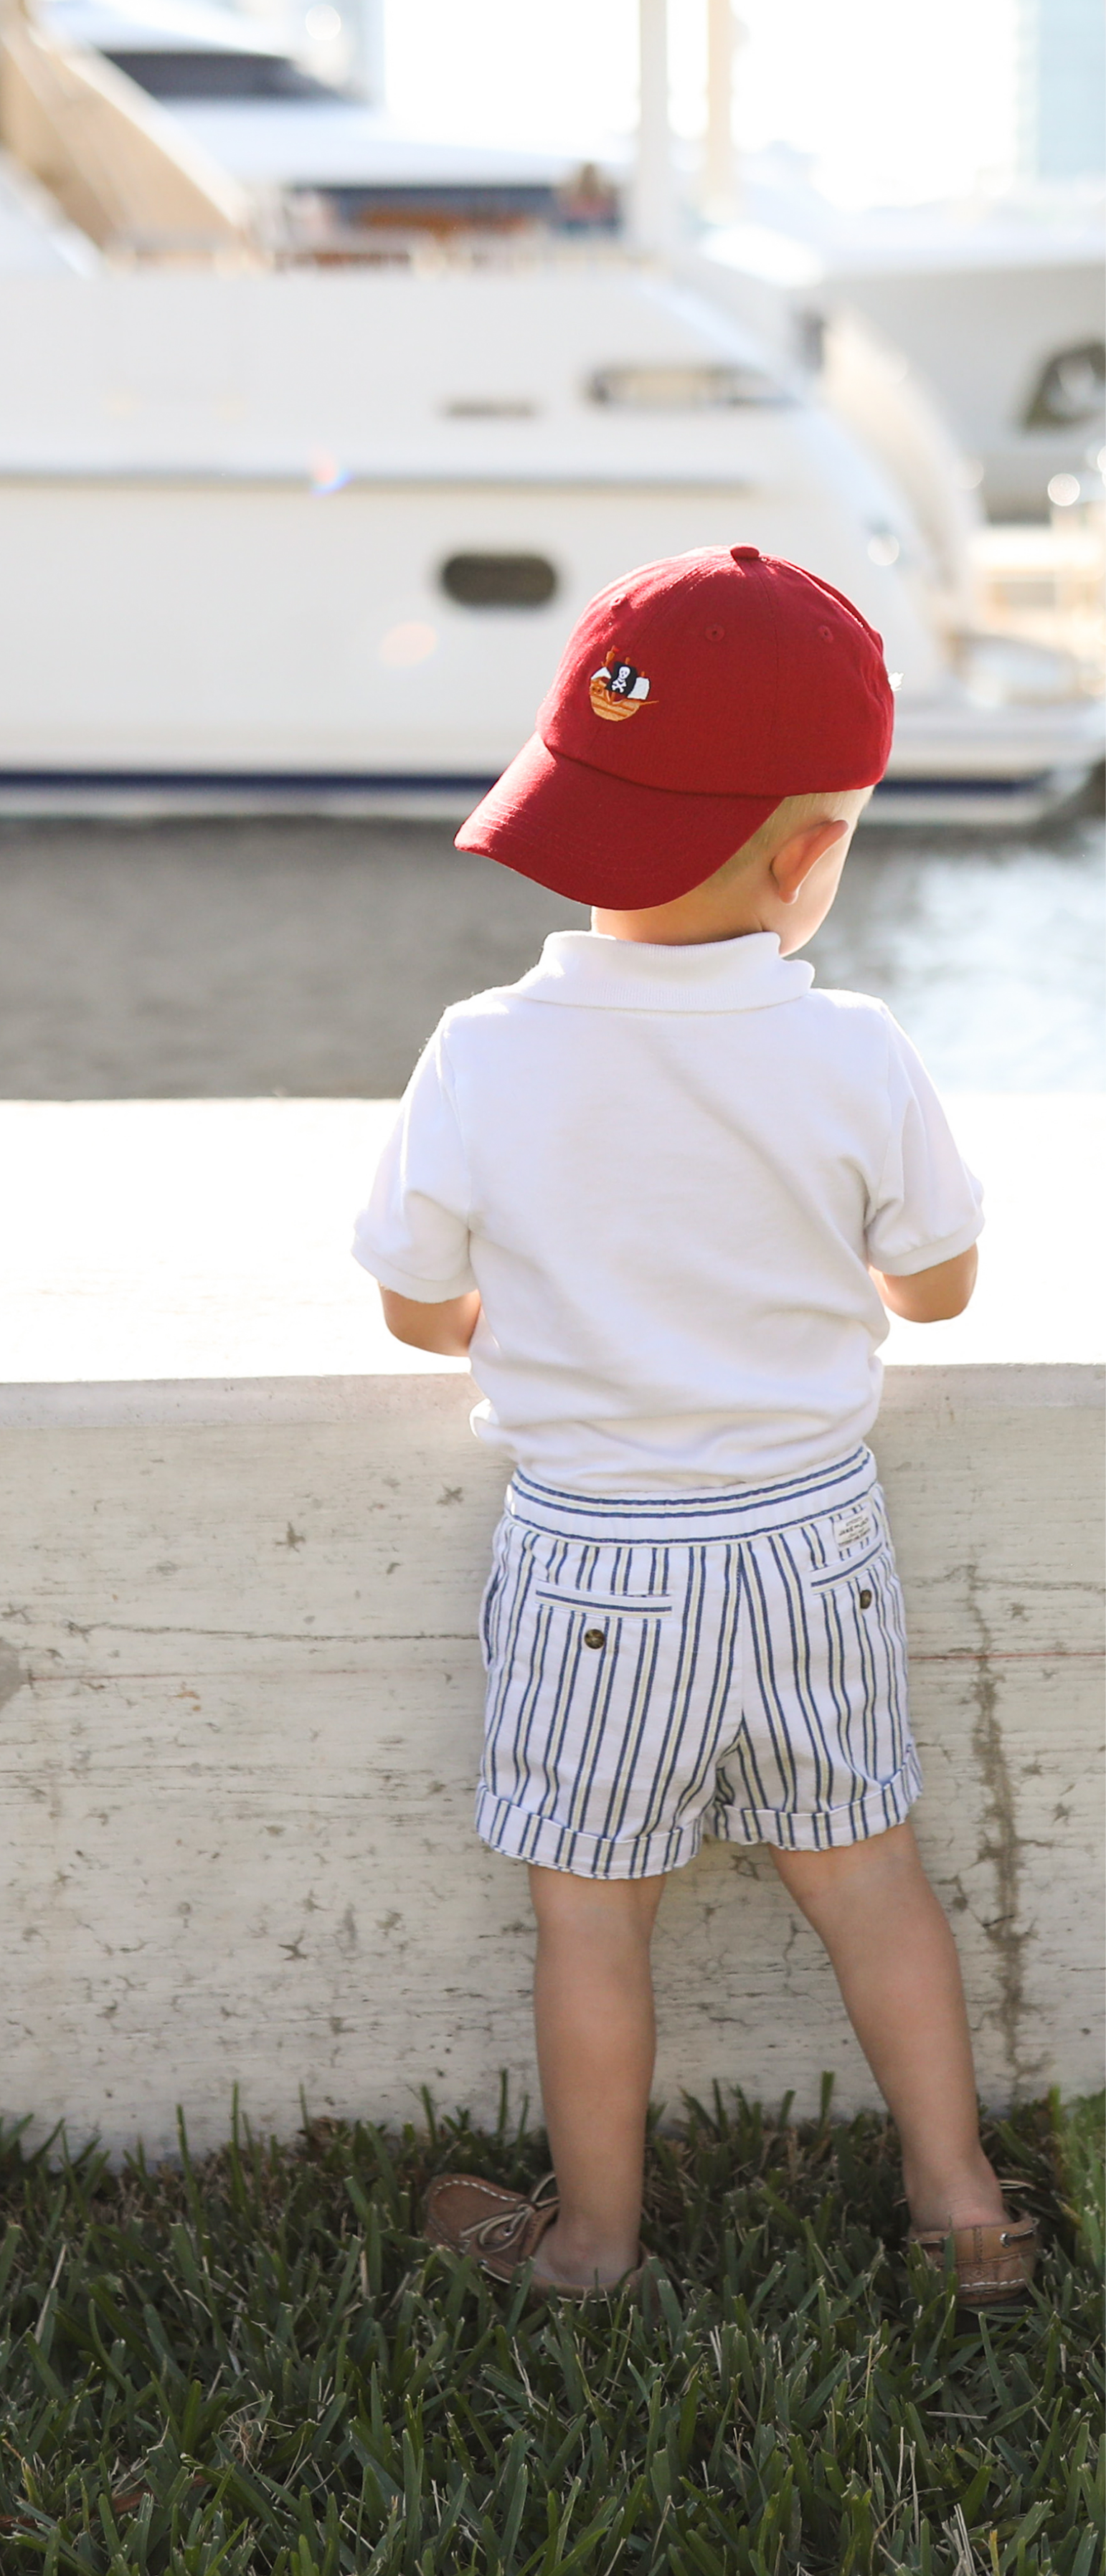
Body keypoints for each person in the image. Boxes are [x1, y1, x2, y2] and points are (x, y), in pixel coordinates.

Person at [352, 544, 1036, 2312]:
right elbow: (939, 1288)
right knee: (871, 1876)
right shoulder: (859, 1049)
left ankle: (590, 2242)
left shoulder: (482, 1049)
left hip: (596, 1552)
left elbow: (416, 1304)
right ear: (811, 858)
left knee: (592, 1914)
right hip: (812, 1532)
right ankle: (962, 2204)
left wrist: (498, 1314)